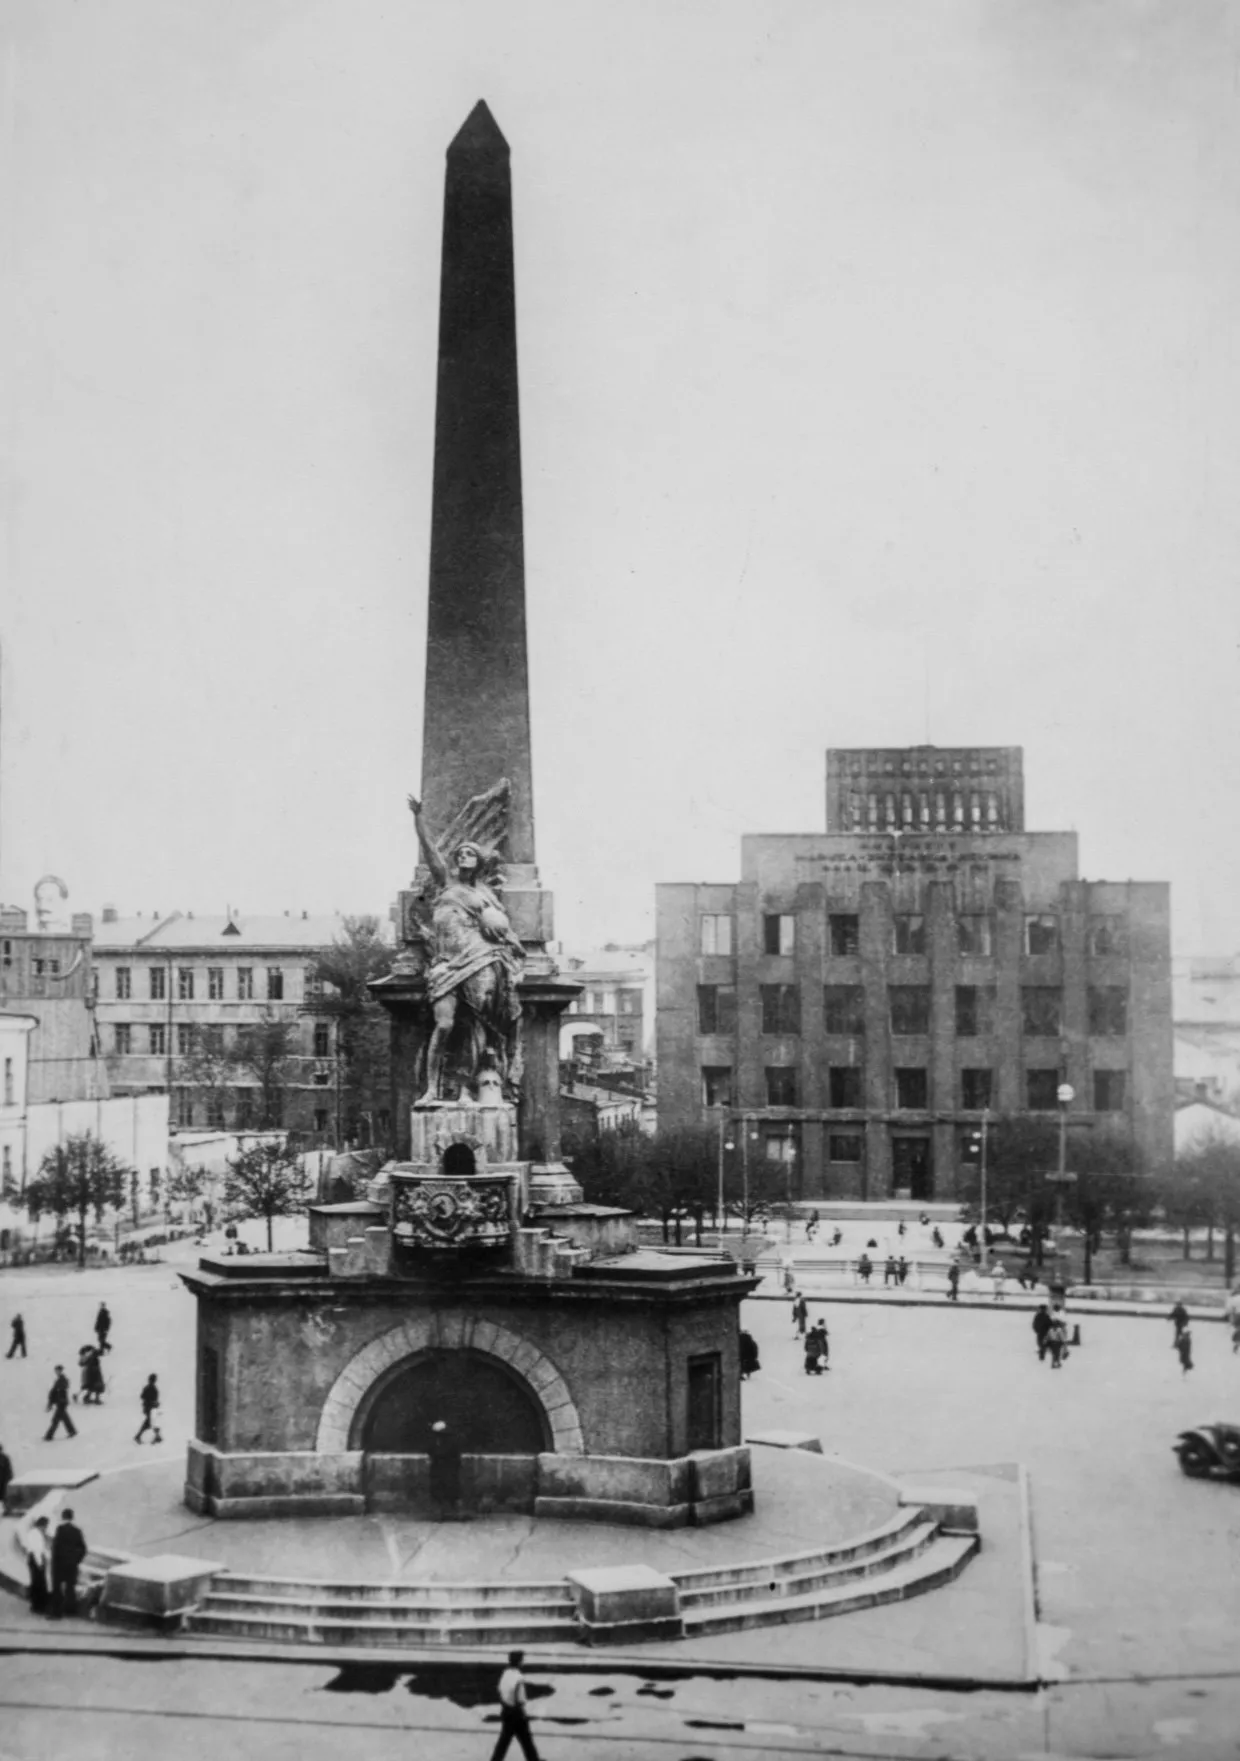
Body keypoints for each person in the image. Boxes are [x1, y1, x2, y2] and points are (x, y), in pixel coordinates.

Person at [407, 791, 526, 1104]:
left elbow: (501, 929)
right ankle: (431, 1089)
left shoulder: (486, 894)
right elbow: (432, 852)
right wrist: (418, 819)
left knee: (474, 1026)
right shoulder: (446, 883)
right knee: (444, 1024)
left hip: (479, 958)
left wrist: (507, 946)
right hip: (447, 962)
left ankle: (463, 1089)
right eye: (459, 854)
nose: (462, 857)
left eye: (468, 854)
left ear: (479, 861)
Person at [490, 1650, 541, 1761]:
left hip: (506, 1709)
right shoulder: (519, 1678)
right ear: (519, 1662)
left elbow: (499, 1689)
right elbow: (521, 1699)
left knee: (505, 1740)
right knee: (525, 1739)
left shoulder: (505, 1674)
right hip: (516, 1713)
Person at [50, 1508, 87, 1619]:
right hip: (72, 1565)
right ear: (72, 1517)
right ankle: (71, 1611)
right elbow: (83, 1548)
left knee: (57, 1588)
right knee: (70, 1588)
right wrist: (76, 1560)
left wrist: (54, 1562)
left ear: (63, 1517)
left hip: (59, 1564)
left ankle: (57, 1612)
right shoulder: (77, 1531)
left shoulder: (60, 1529)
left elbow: (55, 1548)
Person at [428, 1418, 461, 1516]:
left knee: (451, 1489)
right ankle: (440, 1511)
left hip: (449, 1468)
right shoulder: (435, 1442)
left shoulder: (451, 1442)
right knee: (438, 1489)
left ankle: (453, 1510)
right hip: (438, 1468)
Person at [21, 1513, 51, 1614]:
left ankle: (37, 1605)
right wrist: (40, 1563)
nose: (46, 1529)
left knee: (36, 1582)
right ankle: (39, 1606)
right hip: (36, 1559)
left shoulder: (34, 1533)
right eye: (46, 1526)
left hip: (33, 1558)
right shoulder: (36, 1534)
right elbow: (37, 1550)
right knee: (39, 1582)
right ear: (42, 1525)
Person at [44, 1366, 77, 1441]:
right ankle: (72, 1431)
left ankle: (49, 1435)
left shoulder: (62, 1379)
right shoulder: (59, 1379)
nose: (56, 1372)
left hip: (61, 1402)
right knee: (64, 1418)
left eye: (58, 1370)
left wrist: (55, 1398)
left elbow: (61, 1389)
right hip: (60, 1402)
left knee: (56, 1419)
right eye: (56, 1370)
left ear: (61, 1371)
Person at [134, 1374, 162, 1444]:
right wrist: (153, 1403)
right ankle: (138, 1436)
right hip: (150, 1408)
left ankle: (157, 1437)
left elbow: (142, 1396)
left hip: (148, 1408)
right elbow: (146, 1398)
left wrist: (153, 1403)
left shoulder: (147, 1387)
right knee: (150, 1423)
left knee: (152, 1422)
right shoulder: (152, 1389)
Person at [0, 1442, 12, 1506]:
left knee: (5, 1495)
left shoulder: (4, 1458)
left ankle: (7, 1508)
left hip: (4, 1481)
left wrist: (9, 1479)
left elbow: (8, 1470)